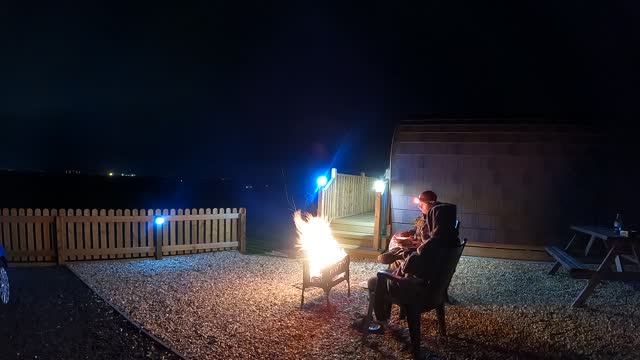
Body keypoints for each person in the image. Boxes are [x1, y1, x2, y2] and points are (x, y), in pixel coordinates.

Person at [367, 192, 459, 327]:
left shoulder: (432, 246)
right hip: (434, 290)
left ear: (435, 219)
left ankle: (381, 320)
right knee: (392, 263)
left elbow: (410, 267)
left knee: (375, 279)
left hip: (417, 291)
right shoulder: (452, 241)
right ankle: (384, 316)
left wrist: (403, 256)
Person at [377, 190, 442, 269]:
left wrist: (411, 243)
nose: (419, 207)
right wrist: (408, 233)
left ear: (432, 204)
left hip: (421, 257)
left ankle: (395, 267)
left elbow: (428, 245)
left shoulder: (435, 222)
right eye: (419, 204)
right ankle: (394, 256)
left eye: (422, 204)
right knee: (397, 242)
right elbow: (417, 232)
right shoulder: (424, 217)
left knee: (397, 258)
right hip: (418, 251)